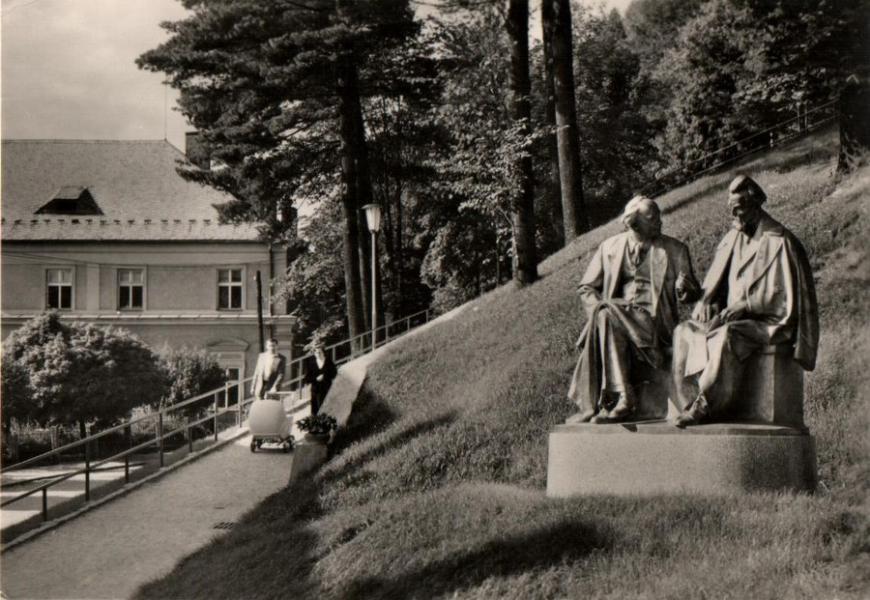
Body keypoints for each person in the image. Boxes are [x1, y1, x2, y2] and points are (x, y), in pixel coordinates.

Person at [671, 174, 819, 427]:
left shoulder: (780, 242)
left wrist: (747, 305)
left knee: (729, 335)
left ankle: (705, 405)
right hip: (730, 317)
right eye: (731, 210)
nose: (735, 216)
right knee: (683, 331)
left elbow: (785, 298)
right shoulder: (732, 239)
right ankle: (686, 400)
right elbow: (715, 289)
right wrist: (693, 293)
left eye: (739, 209)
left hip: (768, 322)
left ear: (755, 205)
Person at [566, 196, 701, 424]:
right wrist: (598, 311)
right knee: (605, 314)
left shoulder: (675, 249)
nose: (660, 222)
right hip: (617, 323)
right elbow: (586, 287)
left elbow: (692, 292)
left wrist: (685, 290)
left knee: (607, 313)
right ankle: (624, 396)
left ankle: (619, 397)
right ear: (635, 224)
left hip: (656, 326)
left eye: (659, 216)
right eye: (653, 219)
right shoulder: (609, 248)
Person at [303, 341, 338, 415]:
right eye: (316, 352)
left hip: (327, 389)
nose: (318, 353)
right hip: (316, 391)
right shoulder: (310, 362)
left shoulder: (328, 361)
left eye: (320, 351)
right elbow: (307, 379)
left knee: (327, 411)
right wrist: (316, 378)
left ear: (323, 351)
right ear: (313, 352)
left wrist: (325, 376)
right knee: (316, 412)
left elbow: (334, 374)